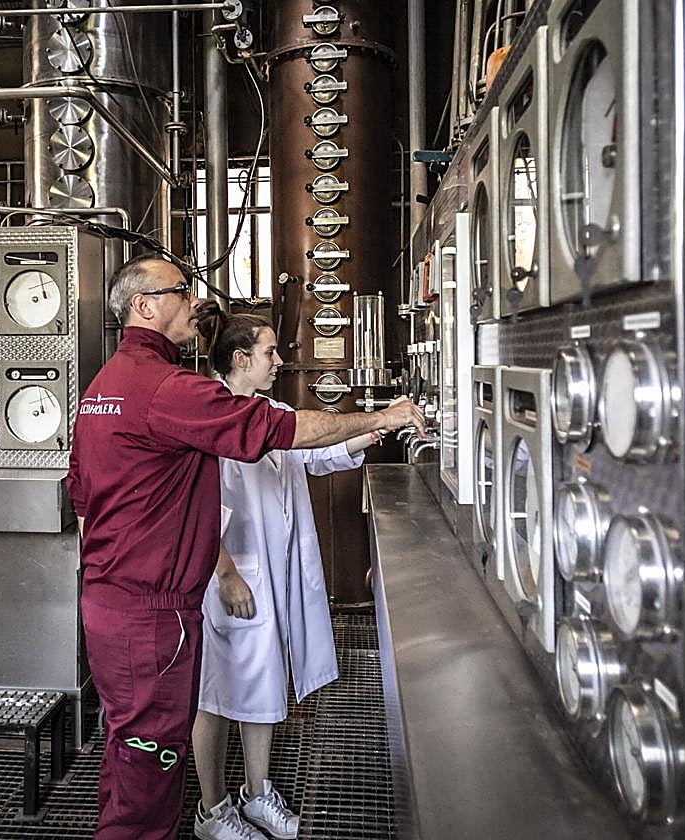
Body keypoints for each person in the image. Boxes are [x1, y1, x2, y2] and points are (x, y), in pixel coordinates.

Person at [65, 255, 424, 840]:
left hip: (115, 600)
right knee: (150, 768)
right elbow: (282, 432)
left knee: (135, 757)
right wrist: (382, 414)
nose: (194, 302)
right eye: (182, 291)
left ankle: (242, 798)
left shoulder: (103, 388)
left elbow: (81, 496)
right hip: (152, 609)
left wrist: (115, 567)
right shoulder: (167, 389)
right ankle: (205, 813)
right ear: (144, 306)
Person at [190, 312, 376, 840]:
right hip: (232, 579)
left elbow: (316, 455)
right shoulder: (212, 420)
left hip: (270, 576)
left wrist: (376, 430)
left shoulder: (273, 412)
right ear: (240, 359)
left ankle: (257, 794)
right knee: (214, 696)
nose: (279, 361)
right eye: (269, 353)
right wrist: (227, 576)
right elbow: (196, 513)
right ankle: (211, 811)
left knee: (265, 685)